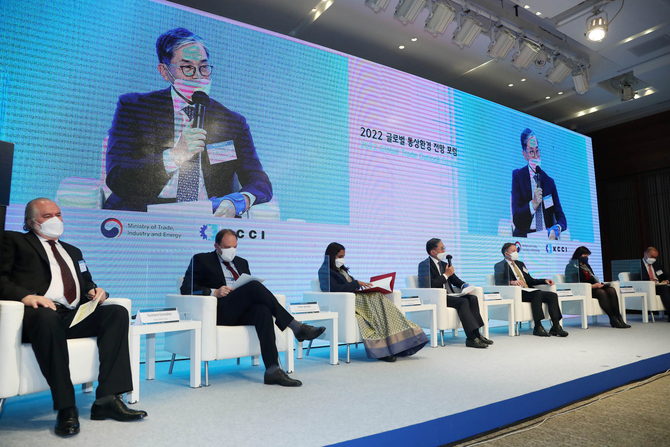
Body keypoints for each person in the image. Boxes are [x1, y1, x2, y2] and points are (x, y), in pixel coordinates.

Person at [0, 198, 146, 436]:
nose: (56, 220)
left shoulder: (73, 251)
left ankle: (108, 399)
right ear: (31, 222)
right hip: (37, 315)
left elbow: (86, 282)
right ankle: (66, 407)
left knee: (117, 312)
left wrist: (95, 291)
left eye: (58, 214)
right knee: (47, 317)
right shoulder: (14, 241)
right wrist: (26, 297)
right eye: (47, 216)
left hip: (71, 314)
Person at [105, 28, 272, 215]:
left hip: (208, 215)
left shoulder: (233, 122)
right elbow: (117, 178)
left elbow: (259, 181)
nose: (198, 76)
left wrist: (239, 201)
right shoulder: (135, 108)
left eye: (203, 67)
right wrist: (175, 155)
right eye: (187, 67)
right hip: (146, 214)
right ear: (165, 71)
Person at [181, 229, 325, 386]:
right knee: (254, 286)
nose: (232, 251)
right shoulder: (201, 260)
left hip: (240, 311)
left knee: (263, 311)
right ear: (217, 246)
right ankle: (296, 327)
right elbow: (186, 288)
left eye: (235, 247)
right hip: (220, 311)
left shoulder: (242, 262)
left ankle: (272, 370)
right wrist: (214, 292)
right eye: (227, 247)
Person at [318, 242, 429, 361]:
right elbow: (333, 289)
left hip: (357, 298)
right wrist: (356, 283)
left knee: (380, 301)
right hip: (347, 302)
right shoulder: (325, 271)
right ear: (331, 255)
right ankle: (384, 350)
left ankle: (398, 345)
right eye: (340, 256)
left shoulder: (342, 270)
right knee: (376, 298)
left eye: (343, 256)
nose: (342, 259)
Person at [418, 238, 492, 348]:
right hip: (437, 298)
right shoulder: (424, 265)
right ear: (433, 252)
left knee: (473, 298)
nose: (444, 251)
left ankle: (477, 334)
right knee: (463, 302)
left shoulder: (444, 264)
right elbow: (429, 284)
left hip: (450, 295)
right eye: (442, 249)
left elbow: (454, 279)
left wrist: (464, 286)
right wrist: (446, 275)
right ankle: (471, 338)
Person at [494, 243, 568, 337]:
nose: (516, 252)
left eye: (516, 250)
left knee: (552, 295)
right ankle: (538, 326)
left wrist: (545, 281)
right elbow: (499, 281)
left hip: (529, 291)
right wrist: (512, 282)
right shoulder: (500, 265)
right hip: (517, 293)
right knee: (537, 293)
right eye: (513, 251)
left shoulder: (520, 264)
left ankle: (556, 326)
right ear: (506, 254)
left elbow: (530, 280)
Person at [511, 128, 567, 239]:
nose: (536, 156)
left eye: (537, 150)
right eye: (531, 152)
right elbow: (516, 218)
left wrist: (556, 229)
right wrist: (533, 204)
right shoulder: (518, 176)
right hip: (525, 237)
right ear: (525, 154)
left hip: (546, 237)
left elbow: (561, 217)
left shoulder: (549, 182)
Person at [567, 246, 630, 328]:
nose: (586, 258)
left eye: (587, 256)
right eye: (584, 256)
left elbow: (592, 277)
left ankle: (618, 317)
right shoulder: (571, 267)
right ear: (578, 256)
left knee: (611, 290)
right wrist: (592, 286)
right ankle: (612, 318)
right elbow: (575, 282)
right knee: (601, 292)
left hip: (594, 286)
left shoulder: (586, 266)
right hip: (584, 290)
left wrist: (599, 284)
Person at [640, 247, 670, 321]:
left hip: (659, 285)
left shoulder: (656, 265)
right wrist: (650, 281)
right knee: (664, 289)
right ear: (645, 254)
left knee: (665, 287)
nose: (653, 259)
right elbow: (637, 279)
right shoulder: (638, 265)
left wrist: (666, 281)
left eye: (655, 257)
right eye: (652, 256)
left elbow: (666, 275)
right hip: (647, 287)